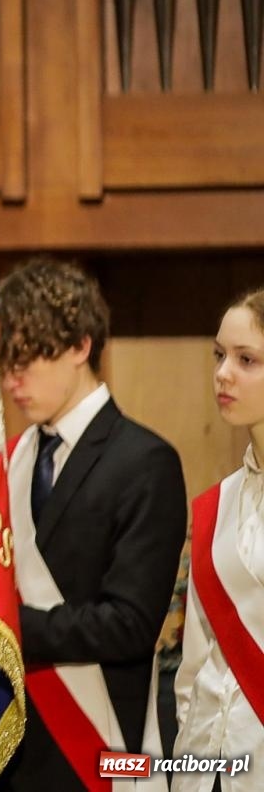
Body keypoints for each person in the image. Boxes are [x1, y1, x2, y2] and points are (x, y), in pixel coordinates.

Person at [0, 258, 187, 789]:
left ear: (81, 345)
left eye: (29, 358)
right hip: (6, 748)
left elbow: (128, 625)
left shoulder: (145, 460)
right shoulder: (9, 460)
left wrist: (2, 625)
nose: (12, 381)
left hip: (93, 746)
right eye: (4, 361)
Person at [173, 288, 264, 790]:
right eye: (219, 355)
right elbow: (194, 663)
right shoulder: (216, 504)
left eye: (246, 359)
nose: (223, 373)